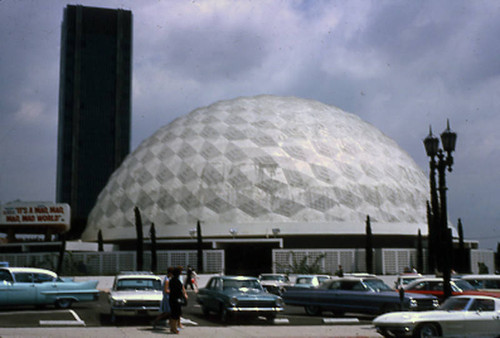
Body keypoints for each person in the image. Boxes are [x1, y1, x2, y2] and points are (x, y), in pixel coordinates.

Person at [169, 266, 188, 334]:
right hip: (176, 299)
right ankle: (174, 328)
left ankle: (172, 327)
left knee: (173, 313)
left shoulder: (171, 280)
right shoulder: (176, 281)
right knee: (176, 314)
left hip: (171, 298)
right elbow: (179, 290)